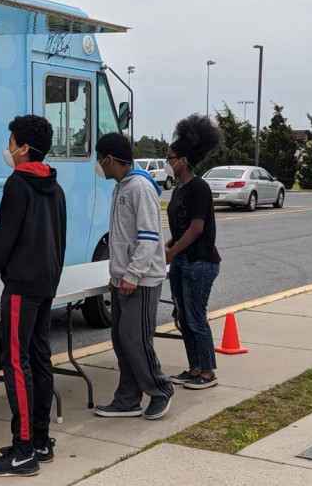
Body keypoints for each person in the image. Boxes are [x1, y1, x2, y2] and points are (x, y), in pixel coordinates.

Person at [0, 115, 66, 477]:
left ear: (24, 149)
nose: (8, 150)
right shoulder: (54, 187)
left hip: (21, 287)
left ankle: (23, 450)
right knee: (39, 360)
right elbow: (61, 237)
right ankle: (40, 440)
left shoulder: (17, 185)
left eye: (11, 144)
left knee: (15, 363)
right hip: (45, 286)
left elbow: (3, 240)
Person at [92, 132, 175, 420]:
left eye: (99, 159)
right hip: (122, 280)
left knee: (136, 339)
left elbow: (149, 237)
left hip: (140, 281)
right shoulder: (121, 186)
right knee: (121, 340)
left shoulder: (140, 187)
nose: (98, 164)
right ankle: (127, 399)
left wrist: (133, 274)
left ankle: (160, 390)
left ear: (110, 159)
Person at [165, 114, 223, 390]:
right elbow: (181, 226)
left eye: (171, 157)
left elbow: (197, 228)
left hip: (199, 262)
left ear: (184, 160)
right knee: (183, 316)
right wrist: (170, 245)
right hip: (181, 260)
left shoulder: (199, 187)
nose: (168, 162)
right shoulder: (178, 189)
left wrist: (173, 251)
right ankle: (194, 367)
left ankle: (208, 371)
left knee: (196, 315)